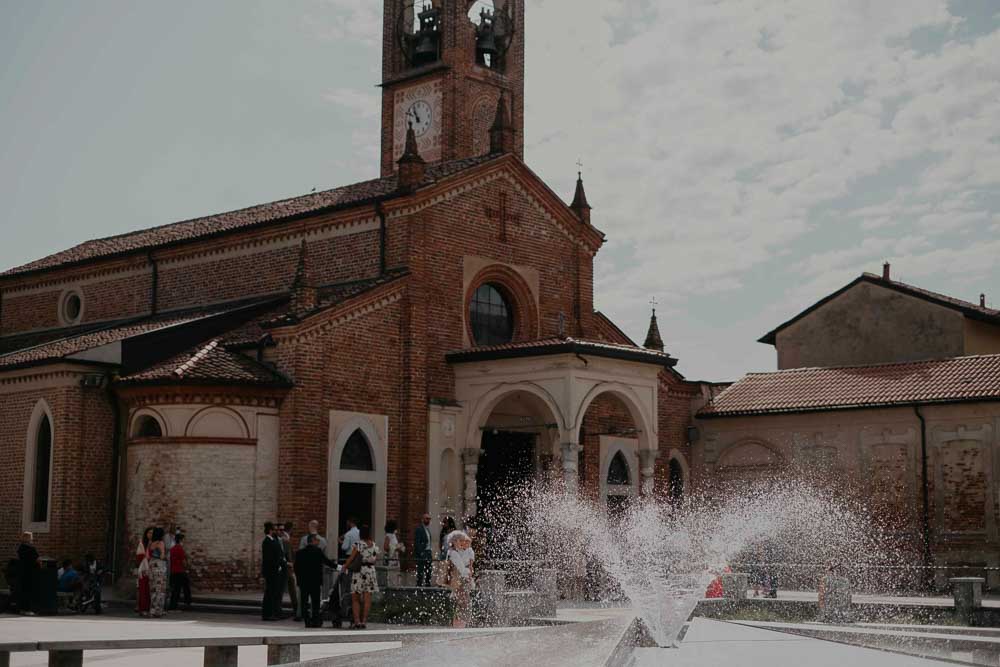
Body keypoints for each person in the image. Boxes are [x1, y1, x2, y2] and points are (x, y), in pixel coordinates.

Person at [295, 534, 337, 627]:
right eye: (316, 540)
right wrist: (338, 566)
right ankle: (315, 620)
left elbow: (296, 568)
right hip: (315, 581)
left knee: (304, 602)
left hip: (304, 581)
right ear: (312, 541)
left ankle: (307, 621)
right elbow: (327, 562)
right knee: (315, 602)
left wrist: (298, 580)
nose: (318, 542)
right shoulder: (318, 551)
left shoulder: (299, 553)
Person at [343, 525, 378, 629]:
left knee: (356, 598)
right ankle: (364, 621)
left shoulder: (359, 544)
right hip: (370, 571)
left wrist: (345, 566)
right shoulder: (374, 545)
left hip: (359, 571)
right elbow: (375, 560)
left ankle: (357, 621)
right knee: (367, 598)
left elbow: (351, 558)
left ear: (360, 534)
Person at [445, 531, 475, 628]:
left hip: (462, 582)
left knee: (463, 602)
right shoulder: (453, 553)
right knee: (462, 602)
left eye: (463, 540)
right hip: (458, 581)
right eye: (460, 540)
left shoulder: (460, 551)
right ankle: (460, 624)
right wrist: (469, 572)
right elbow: (462, 570)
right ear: (454, 542)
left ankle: (461, 624)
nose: (462, 542)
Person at [260, 521, 287, 621]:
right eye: (275, 530)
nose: (276, 531)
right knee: (269, 593)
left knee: (273, 592)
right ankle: (267, 614)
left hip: (275, 571)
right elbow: (269, 558)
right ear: (270, 530)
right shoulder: (267, 541)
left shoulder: (273, 540)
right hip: (271, 571)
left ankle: (273, 613)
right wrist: (278, 565)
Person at [278, 522, 300, 621]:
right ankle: (294, 610)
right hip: (287, 568)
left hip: (288, 567)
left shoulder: (284, 538)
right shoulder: (285, 539)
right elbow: (287, 554)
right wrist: (290, 563)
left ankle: (295, 610)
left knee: (289, 590)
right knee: (288, 590)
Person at [148, 527, 169, 618]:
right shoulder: (160, 543)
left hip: (151, 564)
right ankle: (158, 610)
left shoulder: (150, 543)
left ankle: (152, 610)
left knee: (152, 588)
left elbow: (148, 556)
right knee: (160, 589)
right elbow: (162, 556)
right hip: (159, 566)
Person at [16, 532, 39, 616]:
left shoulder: (20, 548)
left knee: (22, 590)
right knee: (29, 591)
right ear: (29, 538)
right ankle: (27, 609)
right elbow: (36, 560)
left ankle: (21, 609)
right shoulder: (31, 549)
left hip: (22, 572)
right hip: (30, 572)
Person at [168, 533, 192, 610]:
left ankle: (173, 606)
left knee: (175, 590)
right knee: (186, 588)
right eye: (184, 540)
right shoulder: (180, 549)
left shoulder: (172, 549)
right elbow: (183, 561)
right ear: (181, 540)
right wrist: (187, 568)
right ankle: (187, 603)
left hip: (173, 571)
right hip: (180, 571)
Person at [136, 527, 153, 616]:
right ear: (146, 534)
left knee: (150, 590)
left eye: (152, 533)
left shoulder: (155, 544)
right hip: (144, 569)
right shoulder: (142, 544)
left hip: (153, 569)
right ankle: (142, 609)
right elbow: (139, 556)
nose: (150, 534)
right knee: (143, 590)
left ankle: (150, 608)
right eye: (149, 533)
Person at [414, 513, 433, 587]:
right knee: (420, 569)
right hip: (423, 551)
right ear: (422, 519)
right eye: (426, 518)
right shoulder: (419, 529)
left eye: (429, 519)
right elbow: (417, 542)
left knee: (429, 569)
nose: (428, 520)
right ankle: (419, 584)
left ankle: (428, 583)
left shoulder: (428, 529)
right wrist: (421, 552)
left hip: (428, 551)